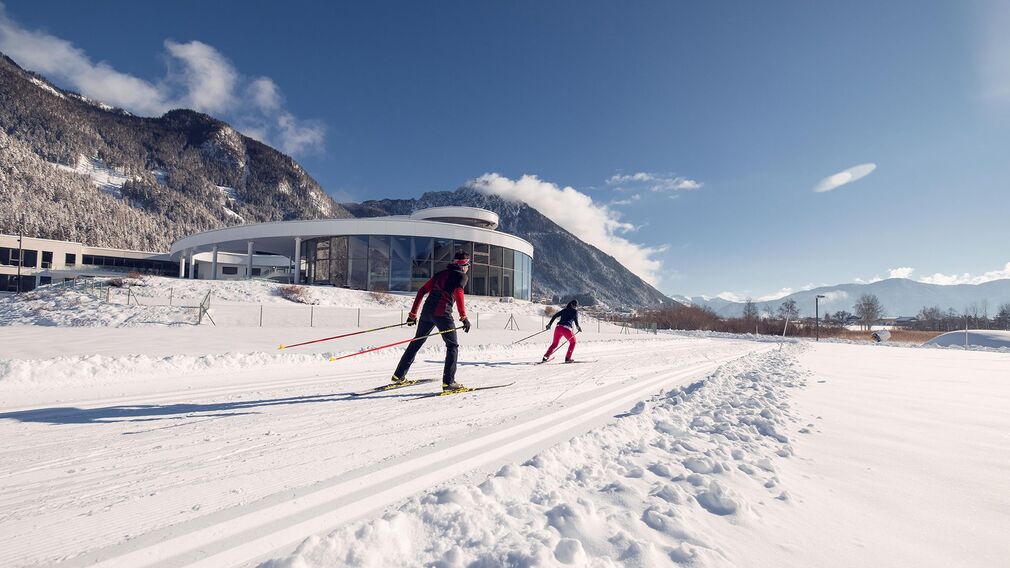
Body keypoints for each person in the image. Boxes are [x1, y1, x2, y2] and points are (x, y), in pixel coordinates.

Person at [391, 250, 473, 392]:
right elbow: (459, 294)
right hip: (443, 315)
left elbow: (422, 291)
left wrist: (412, 314)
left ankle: (399, 375)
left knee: (417, 341)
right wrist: (463, 317)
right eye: (468, 264)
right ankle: (449, 383)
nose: (468, 267)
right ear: (464, 265)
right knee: (452, 346)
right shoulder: (461, 276)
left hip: (427, 313)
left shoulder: (440, 274)